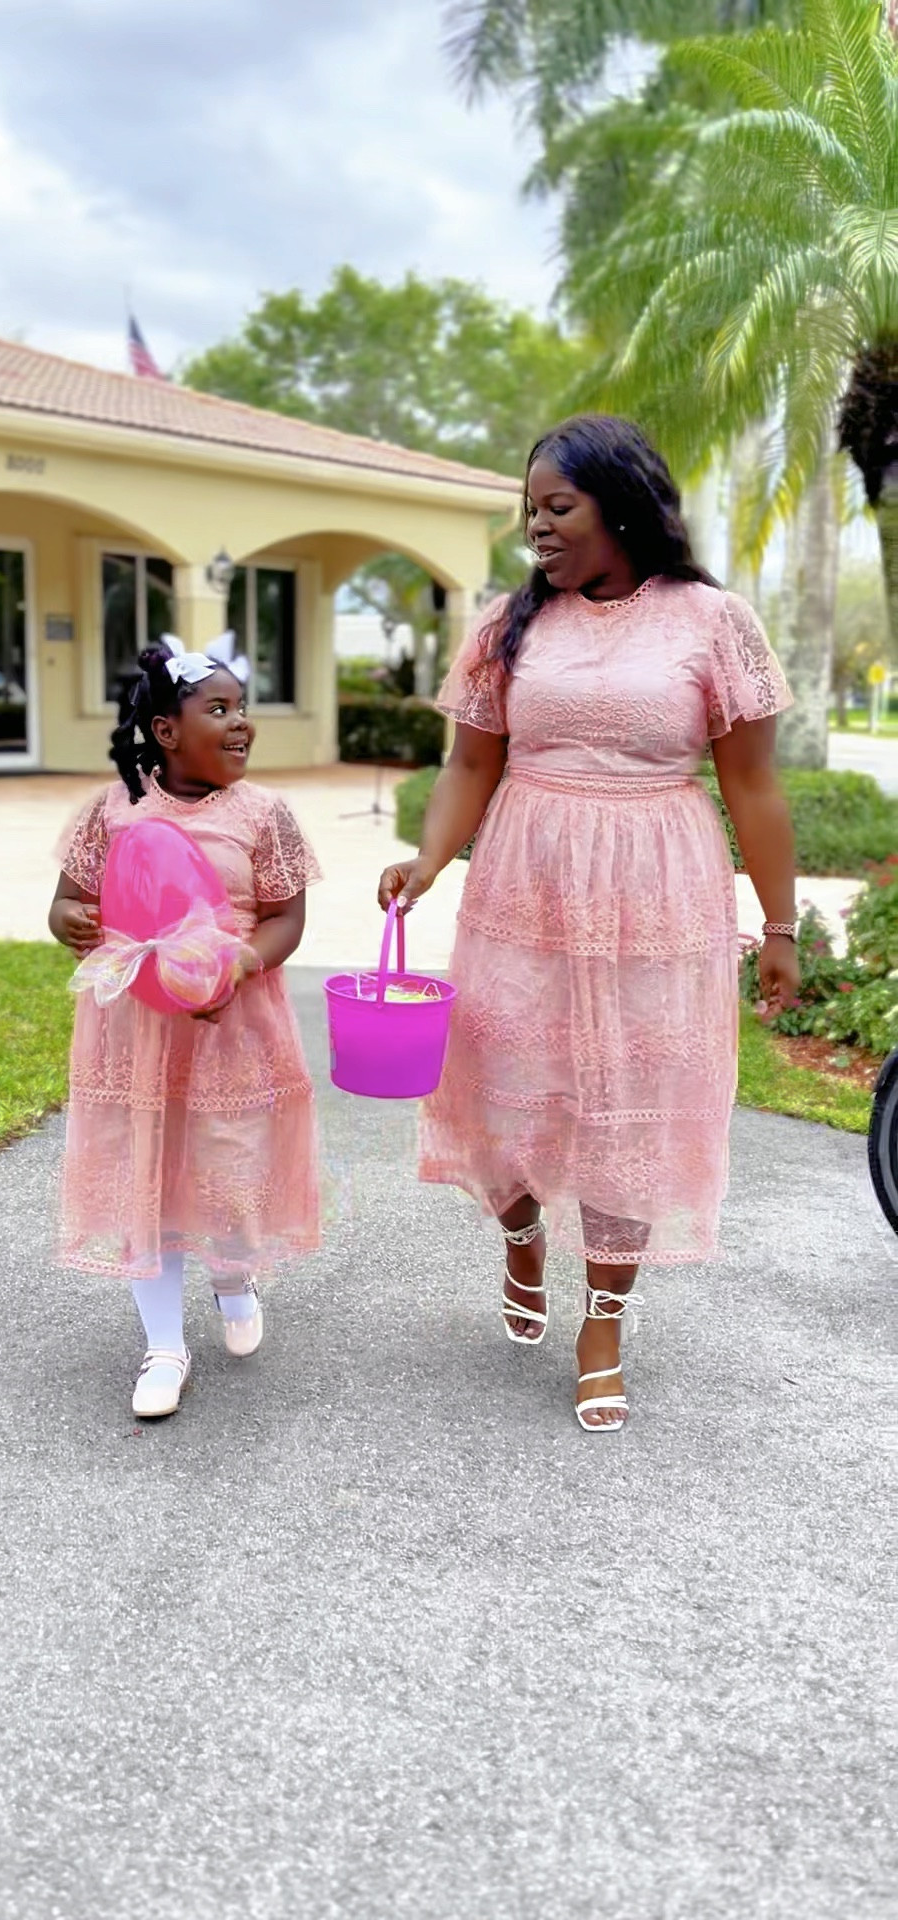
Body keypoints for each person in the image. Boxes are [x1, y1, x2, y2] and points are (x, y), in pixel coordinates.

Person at [378, 415, 799, 1433]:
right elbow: (472, 764)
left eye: (557, 507)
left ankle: (603, 1324)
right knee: (510, 1081)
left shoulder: (711, 620)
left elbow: (752, 786)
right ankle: (518, 1230)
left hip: (660, 891)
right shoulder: (507, 623)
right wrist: (430, 862)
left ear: (622, 505)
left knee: (632, 1107)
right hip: (526, 882)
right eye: (531, 510)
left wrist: (779, 926)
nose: (539, 529)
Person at [49, 631, 320, 1420]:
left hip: (231, 1024)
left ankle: (233, 1275)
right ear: (166, 731)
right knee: (149, 1179)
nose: (240, 723)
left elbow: (285, 917)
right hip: (138, 1030)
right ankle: (164, 1347)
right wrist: (70, 917)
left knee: (226, 1175)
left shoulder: (265, 814)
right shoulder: (116, 807)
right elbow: (69, 900)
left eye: (244, 709)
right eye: (219, 709)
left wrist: (239, 962)